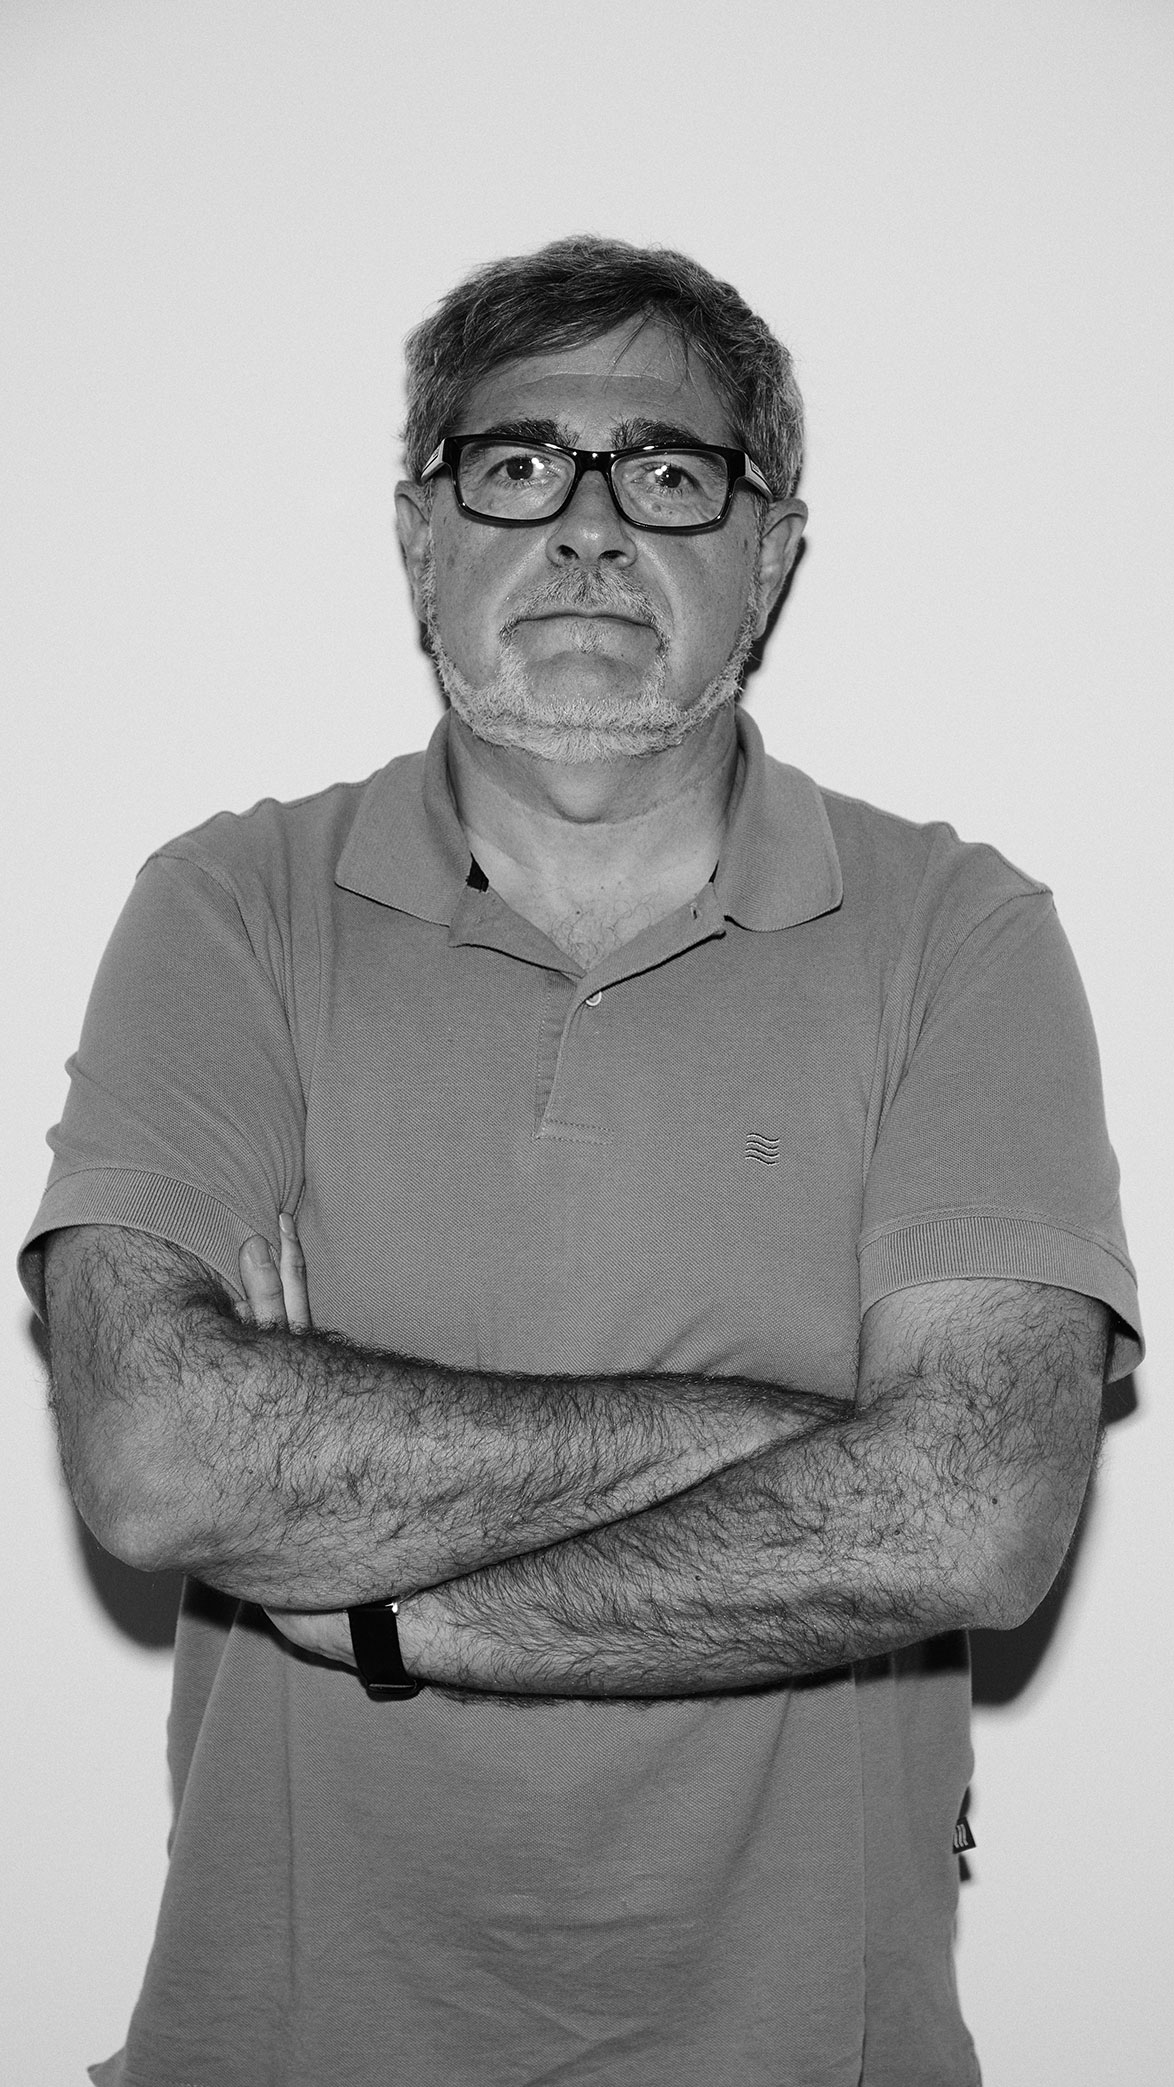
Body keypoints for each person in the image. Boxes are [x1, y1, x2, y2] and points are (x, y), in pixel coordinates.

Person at [23, 235, 1140, 2087]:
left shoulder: (958, 931)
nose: (593, 529)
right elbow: (151, 1458)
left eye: (672, 473)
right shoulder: (229, 909)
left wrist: (385, 1606)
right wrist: (796, 1445)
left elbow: (972, 1516)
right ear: (418, 538)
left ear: (766, 555)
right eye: (518, 462)